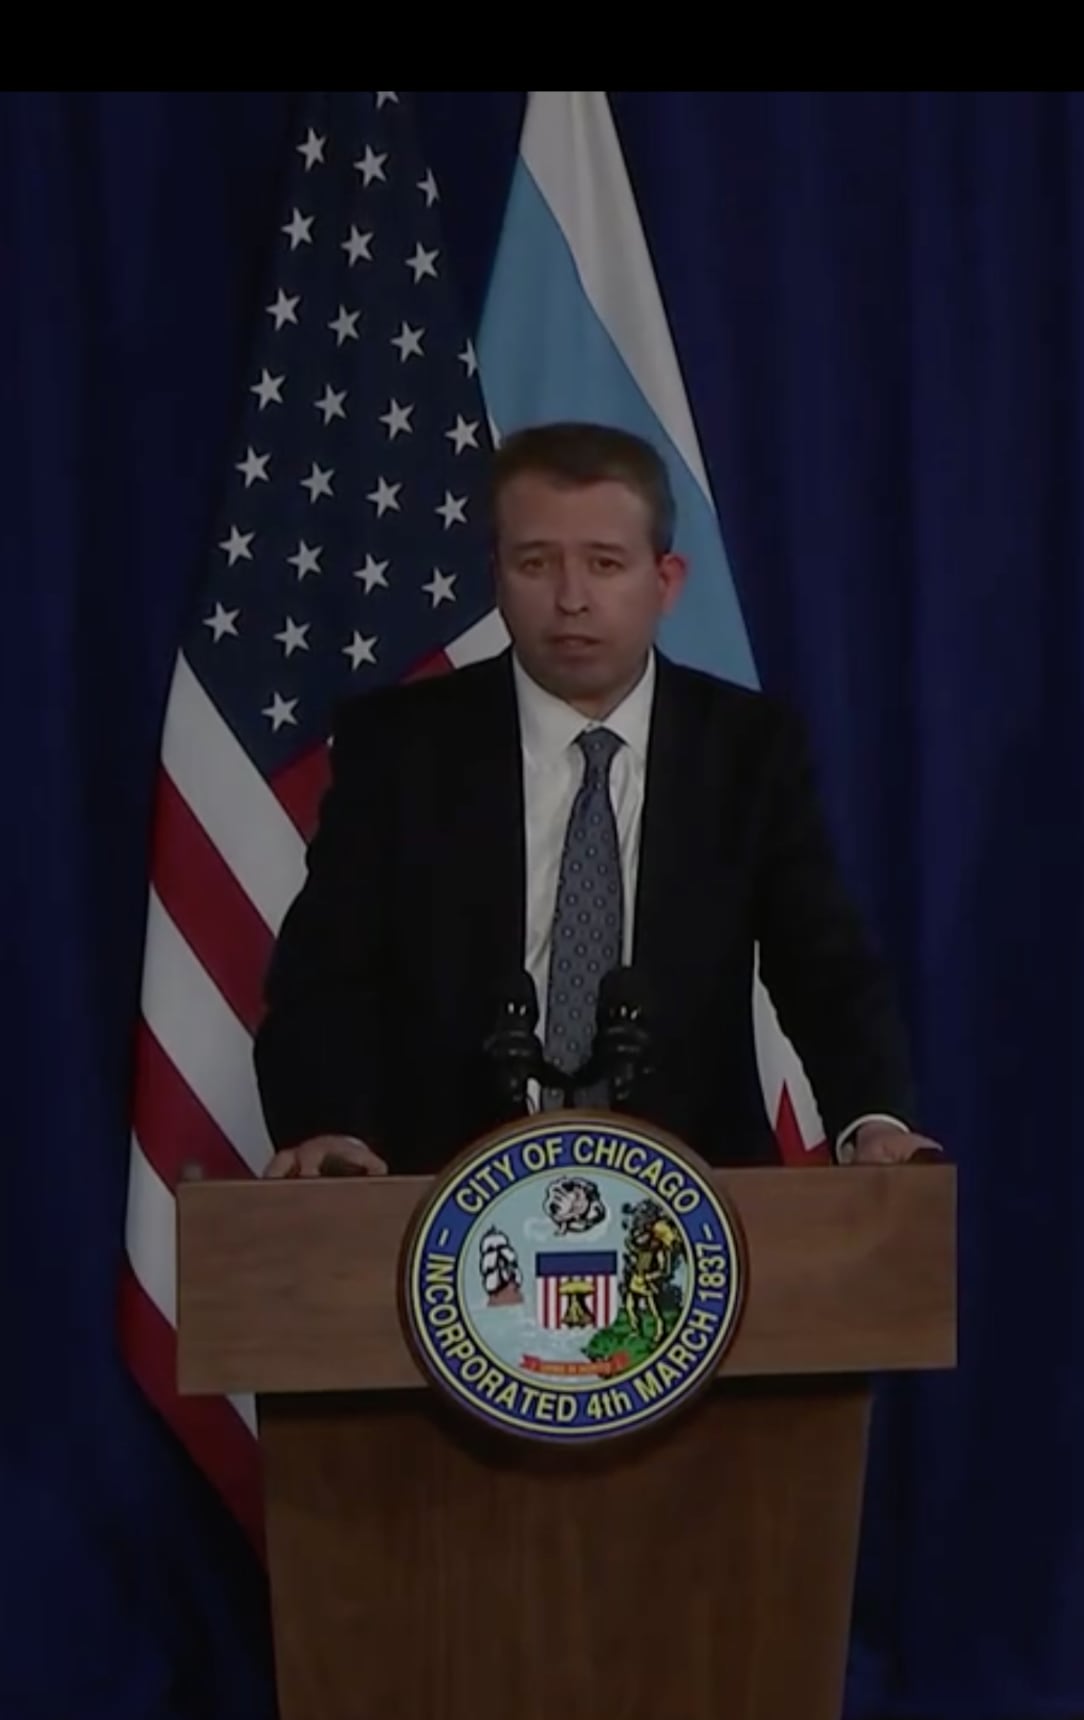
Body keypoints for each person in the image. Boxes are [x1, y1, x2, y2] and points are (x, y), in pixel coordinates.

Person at [255, 420, 936, 1179]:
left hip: (692, 1191)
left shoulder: (747, 749)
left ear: (665, 580)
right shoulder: (400, 748)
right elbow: (325, 976)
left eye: (605, 564)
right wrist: (327, 1125)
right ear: (496, 574)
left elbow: (823, 965)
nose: (571, 599)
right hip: (442, 1193)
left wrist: (873, 1119)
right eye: (536, 563)